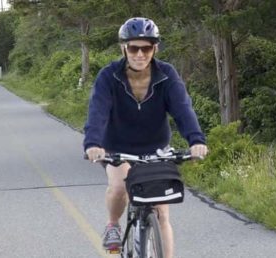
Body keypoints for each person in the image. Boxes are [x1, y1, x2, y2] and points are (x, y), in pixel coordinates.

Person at [83, 17, 209, 258]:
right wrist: (93, 144)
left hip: (156, 148)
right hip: (117, 147)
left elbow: (183, 109)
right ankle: (113, 224)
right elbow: (98, 112)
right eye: (133, 48)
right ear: (123, 48)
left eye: (146, 48)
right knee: (119, 187)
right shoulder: (109, 76)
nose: (140, 54)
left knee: (161, 212)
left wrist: (196, 140)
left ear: (155, 48)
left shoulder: (167, 75)